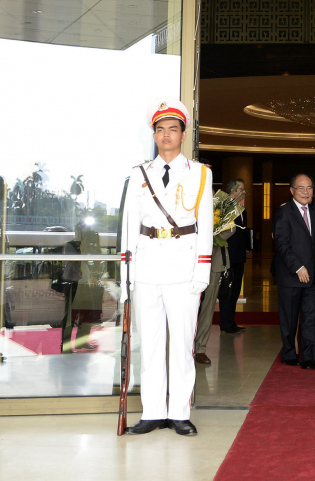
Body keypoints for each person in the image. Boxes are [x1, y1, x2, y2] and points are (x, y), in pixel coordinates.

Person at [121, 96, 213, 436]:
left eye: (173, 128)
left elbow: (204, 225)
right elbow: (129, 227)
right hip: (145, 269)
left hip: (183, 269)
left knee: (181, 345)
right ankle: (153, 411)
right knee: (151, 344)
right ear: (154, 134)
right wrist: (125, 274)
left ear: (183, 133)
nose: (166, 134)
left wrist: (202, 272)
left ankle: (179, 412)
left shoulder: (200, 173)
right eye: (160, 129)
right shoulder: (139, 174)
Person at [274, 174, 315, 370]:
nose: (306, 192)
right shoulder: (283, 212)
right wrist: (298, 267)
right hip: (291, 276)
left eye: (309, 188)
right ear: (291, 190)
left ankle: (309, 358)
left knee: (309, 317)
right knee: (289, 319)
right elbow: (282, 243)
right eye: (301, 188)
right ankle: (289, 354)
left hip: (313, 276)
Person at [194, 226, 235, 365]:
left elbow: (231, 228)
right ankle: (183, 347)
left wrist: (209, 239)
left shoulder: (221, 203)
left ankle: (200, 348)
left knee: (207, 306)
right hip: (188, 258)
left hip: (214, 261)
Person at [218, 179, 247, 334]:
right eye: (240, 189)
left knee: (235, 290)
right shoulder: (223, 208)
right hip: (227, 256)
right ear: (232, 190)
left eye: (243, 189)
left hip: (239, 256)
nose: (243, 192)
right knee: (226, 290)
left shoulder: (242, 209)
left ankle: (231, 321)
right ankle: (225, 323)